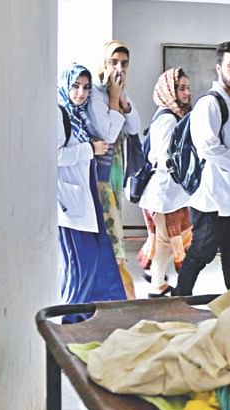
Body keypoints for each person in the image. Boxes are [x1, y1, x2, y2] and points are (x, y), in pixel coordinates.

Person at [173, 41, 230, 296]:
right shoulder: (210, 103)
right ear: (218, 68)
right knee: (200, 254)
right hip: (212, 199)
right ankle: (177, 301)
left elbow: (226, 147)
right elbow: (207, 148)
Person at [56, 63, 126, 322]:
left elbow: (110, 134)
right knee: (80, 268)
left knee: (97, 261)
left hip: (87, 197)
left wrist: (115, 98)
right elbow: (54, 156)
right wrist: (89, 149)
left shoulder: (81, 116)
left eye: (86, 88)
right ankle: (68, 324)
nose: (81, 93)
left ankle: (94, 320)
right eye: (75, 86)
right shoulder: (59, 114)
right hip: (70, 204)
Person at [89, 40, 141, 299]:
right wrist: (112, 99)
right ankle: (121, 296)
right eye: (113, 62)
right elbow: (108, 133)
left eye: (124, 63)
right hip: (100, 174)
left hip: (116, 173)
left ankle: (119, 296)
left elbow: (134, 127)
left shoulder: (119, 92)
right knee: (110, 235)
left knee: (114, 230)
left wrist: (121, 99)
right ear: (104, 63)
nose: (119, 68)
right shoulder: (95, 93)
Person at [136, 68, 193, 298]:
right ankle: (157, 285)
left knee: (166, 238)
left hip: (167, 192)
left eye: (187, 88)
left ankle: (152, 272)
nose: (186, 93)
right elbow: (163, 157)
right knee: (165, 241)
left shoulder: (169, 115)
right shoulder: (168, 119)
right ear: (169, 90)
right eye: (181, 88)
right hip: (163, 192)